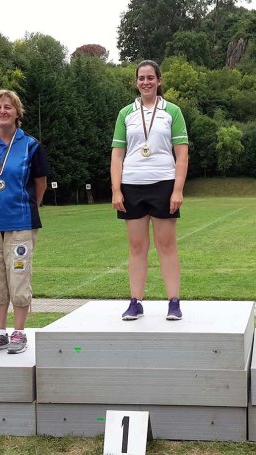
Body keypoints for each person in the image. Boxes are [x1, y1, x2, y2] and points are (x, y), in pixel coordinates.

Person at [0, 89, 48, 354]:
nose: (2, 111)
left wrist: (26, 206)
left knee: (19, 277)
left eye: (8, 107)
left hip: (21, 222)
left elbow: (40, 184)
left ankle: (19, 333)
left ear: (17, 112)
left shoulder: (31, 146)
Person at [110, 60, 189, 321]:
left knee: (166, 245)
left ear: (159, 80)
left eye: (150, 78)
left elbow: (182, 154)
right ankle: (135, 302)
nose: (146, 82)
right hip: (132, 184)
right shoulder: (125, 113)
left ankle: (174, 302)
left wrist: (177, 190)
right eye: (141, 78)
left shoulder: (172, 111)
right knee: (136, 247)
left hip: (164, 183)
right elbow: (117, 155)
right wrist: (116, 190)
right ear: (136, 82)